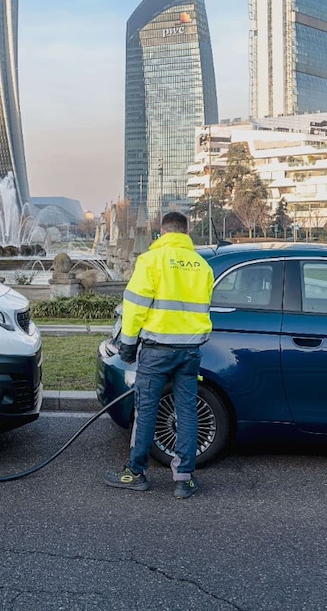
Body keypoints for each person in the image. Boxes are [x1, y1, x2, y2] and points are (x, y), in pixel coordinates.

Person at [104, 211, 214, 499]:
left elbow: (135, 306)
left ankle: (136, 473)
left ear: (162, 233)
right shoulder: (202, 266)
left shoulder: (151, 261)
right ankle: (184, 480)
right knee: (187, 412)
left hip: (157, 351)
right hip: (190, 351)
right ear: (186, 233)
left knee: (147, 411)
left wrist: (127, 346)